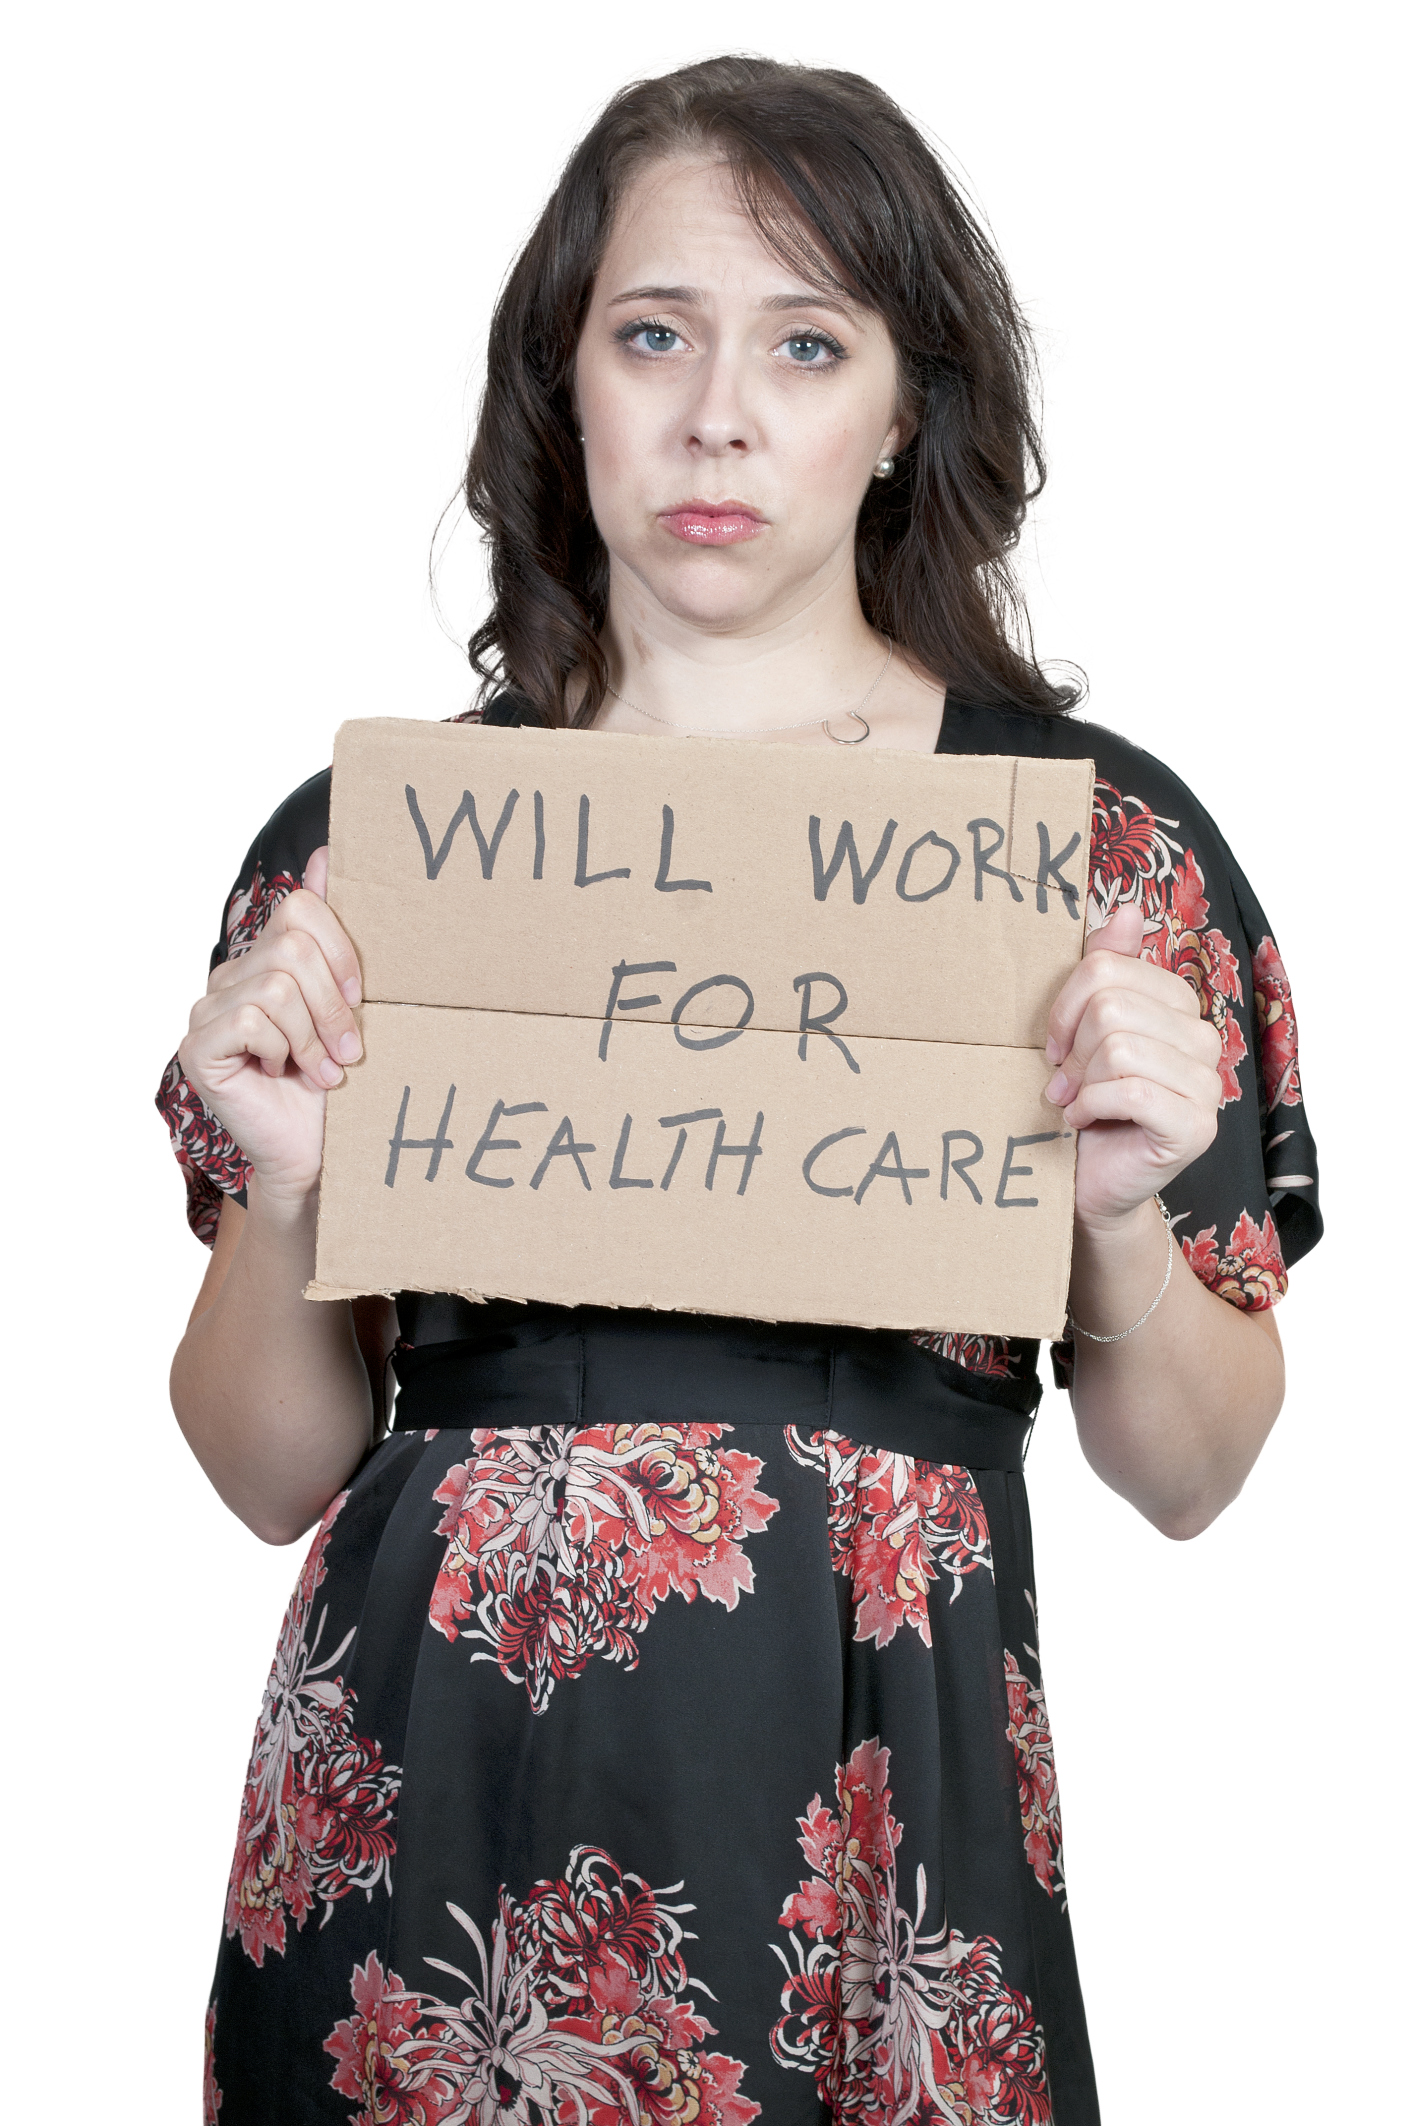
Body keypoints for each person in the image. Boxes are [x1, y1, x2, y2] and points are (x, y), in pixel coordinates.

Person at [159, 55, 1320, 2126]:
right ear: (564, 387)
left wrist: (1120, 1211)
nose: (718, 413)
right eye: (651, 334)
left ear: (899, 411)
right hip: (434, 1836)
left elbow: (1195, 1463)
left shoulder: (1093, 854)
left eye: (805, 341)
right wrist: (294, 1187)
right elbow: (263, 1463)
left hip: (883, 1817)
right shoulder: (371, 854)